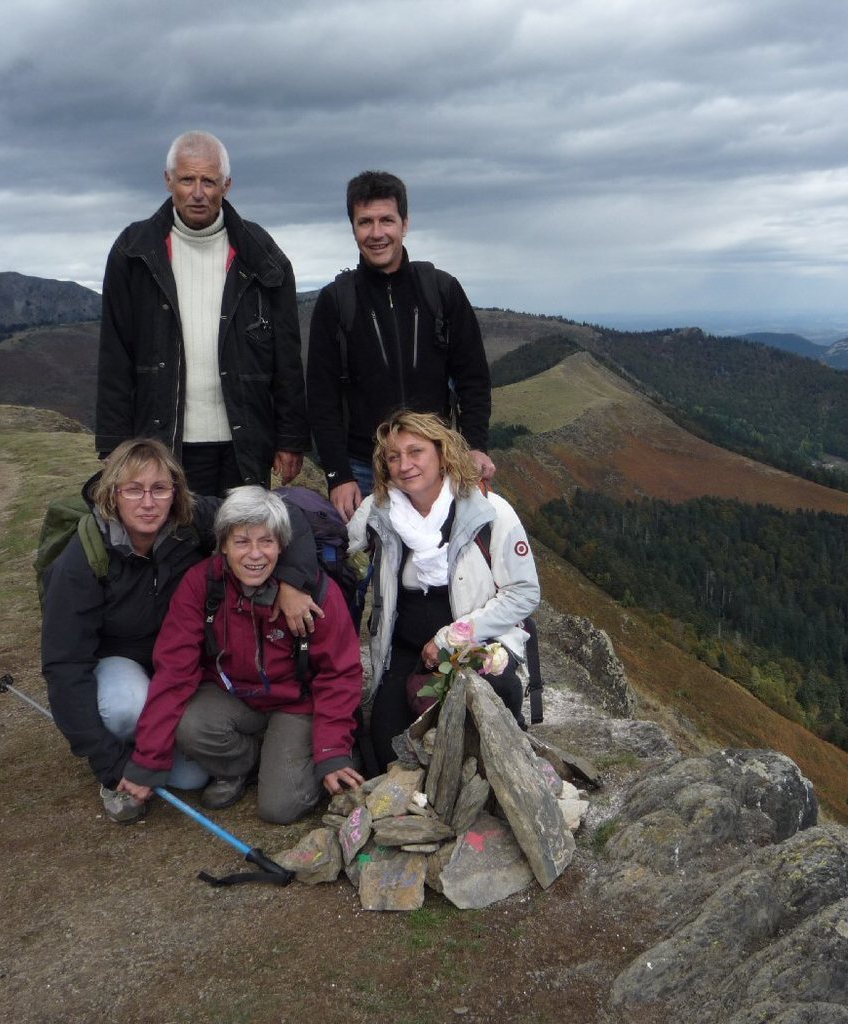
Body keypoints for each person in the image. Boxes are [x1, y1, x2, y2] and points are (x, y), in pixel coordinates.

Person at [40, 440, 322, 824]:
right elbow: (64, 666)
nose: (148, 503)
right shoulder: (83, 559)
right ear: (112, 493)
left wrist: (292, 581)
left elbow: (282, 512)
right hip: (123, 660)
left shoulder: (190, 519)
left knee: (190, 778)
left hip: (184, 655)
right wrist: (111, 766)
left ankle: (166, 746)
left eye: (159, 489)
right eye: (133, 490)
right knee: (126, 706)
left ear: (175, 491)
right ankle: (129, 754)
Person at [121, 488, 364, 823]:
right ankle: (242, 765)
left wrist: (332, 751)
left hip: (296, 703)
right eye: (241, 542)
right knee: (189, 725)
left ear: (282, 545)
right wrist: (147, 761)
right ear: (223, 545)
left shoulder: (315, 593)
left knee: (280, 808)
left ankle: (318, 751)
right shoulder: (201, 584)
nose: (255, 554)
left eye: (266, 541)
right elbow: (174, 671)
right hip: (232, 694)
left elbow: (340, 673)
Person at [96, 130, 309, 495]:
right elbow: (115, 355)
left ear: (226, 185)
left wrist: (290, 438)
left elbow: (286, 357)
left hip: (244, 444)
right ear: (168, 181)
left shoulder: (262, 255)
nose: (198, 193)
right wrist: (114, 443)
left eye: (208, 181)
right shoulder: (133, 253)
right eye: (187, 180)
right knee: (174, 534)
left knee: (241, 534)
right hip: (162, 443)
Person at [348, 411, 539, 765]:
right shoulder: (379, 512)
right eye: (393, 457)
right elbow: (339, 547)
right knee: (388, 751)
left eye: (415, 452)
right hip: (407, 652)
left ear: (441, 452)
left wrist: (451, 639)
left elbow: (524, 592)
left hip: (478, 645)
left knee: (484, 731)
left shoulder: (489, 511)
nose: (405, 465)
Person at [306, 170, 494, 523]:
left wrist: (474, 446)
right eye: (365, 222)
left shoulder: (441, 290)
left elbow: (473, 378)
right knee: (375, 558)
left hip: (437, 461)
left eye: (387, 220)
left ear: (404, 224)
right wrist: (338, 474)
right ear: (353, 228)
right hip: (365, 469)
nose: (377, 233)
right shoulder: (336, 302)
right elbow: (321, 397)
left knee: (447, 554)